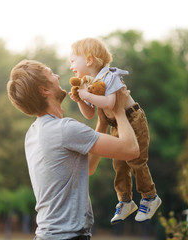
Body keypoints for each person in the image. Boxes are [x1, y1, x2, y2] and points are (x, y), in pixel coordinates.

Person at [7, 59, 140, 240]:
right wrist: (118, 109)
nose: (58, 76)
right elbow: (131, 149)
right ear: (44, 90)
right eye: (51, 73)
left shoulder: (33, 133)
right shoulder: (65, 129)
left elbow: (88, 168)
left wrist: (101, 122)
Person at [69, 38, 161, 224]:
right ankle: (125, 200)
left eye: (73, 61)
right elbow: (89, 114)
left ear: (89, 60)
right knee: (118, 164)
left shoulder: (110, 76)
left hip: (133, 119)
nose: (71, 66)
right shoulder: (88, 84)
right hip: (116, 124)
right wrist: (80, 100)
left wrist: (86, 95)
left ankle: (150, 197)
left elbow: (110, 103)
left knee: (136, 161)